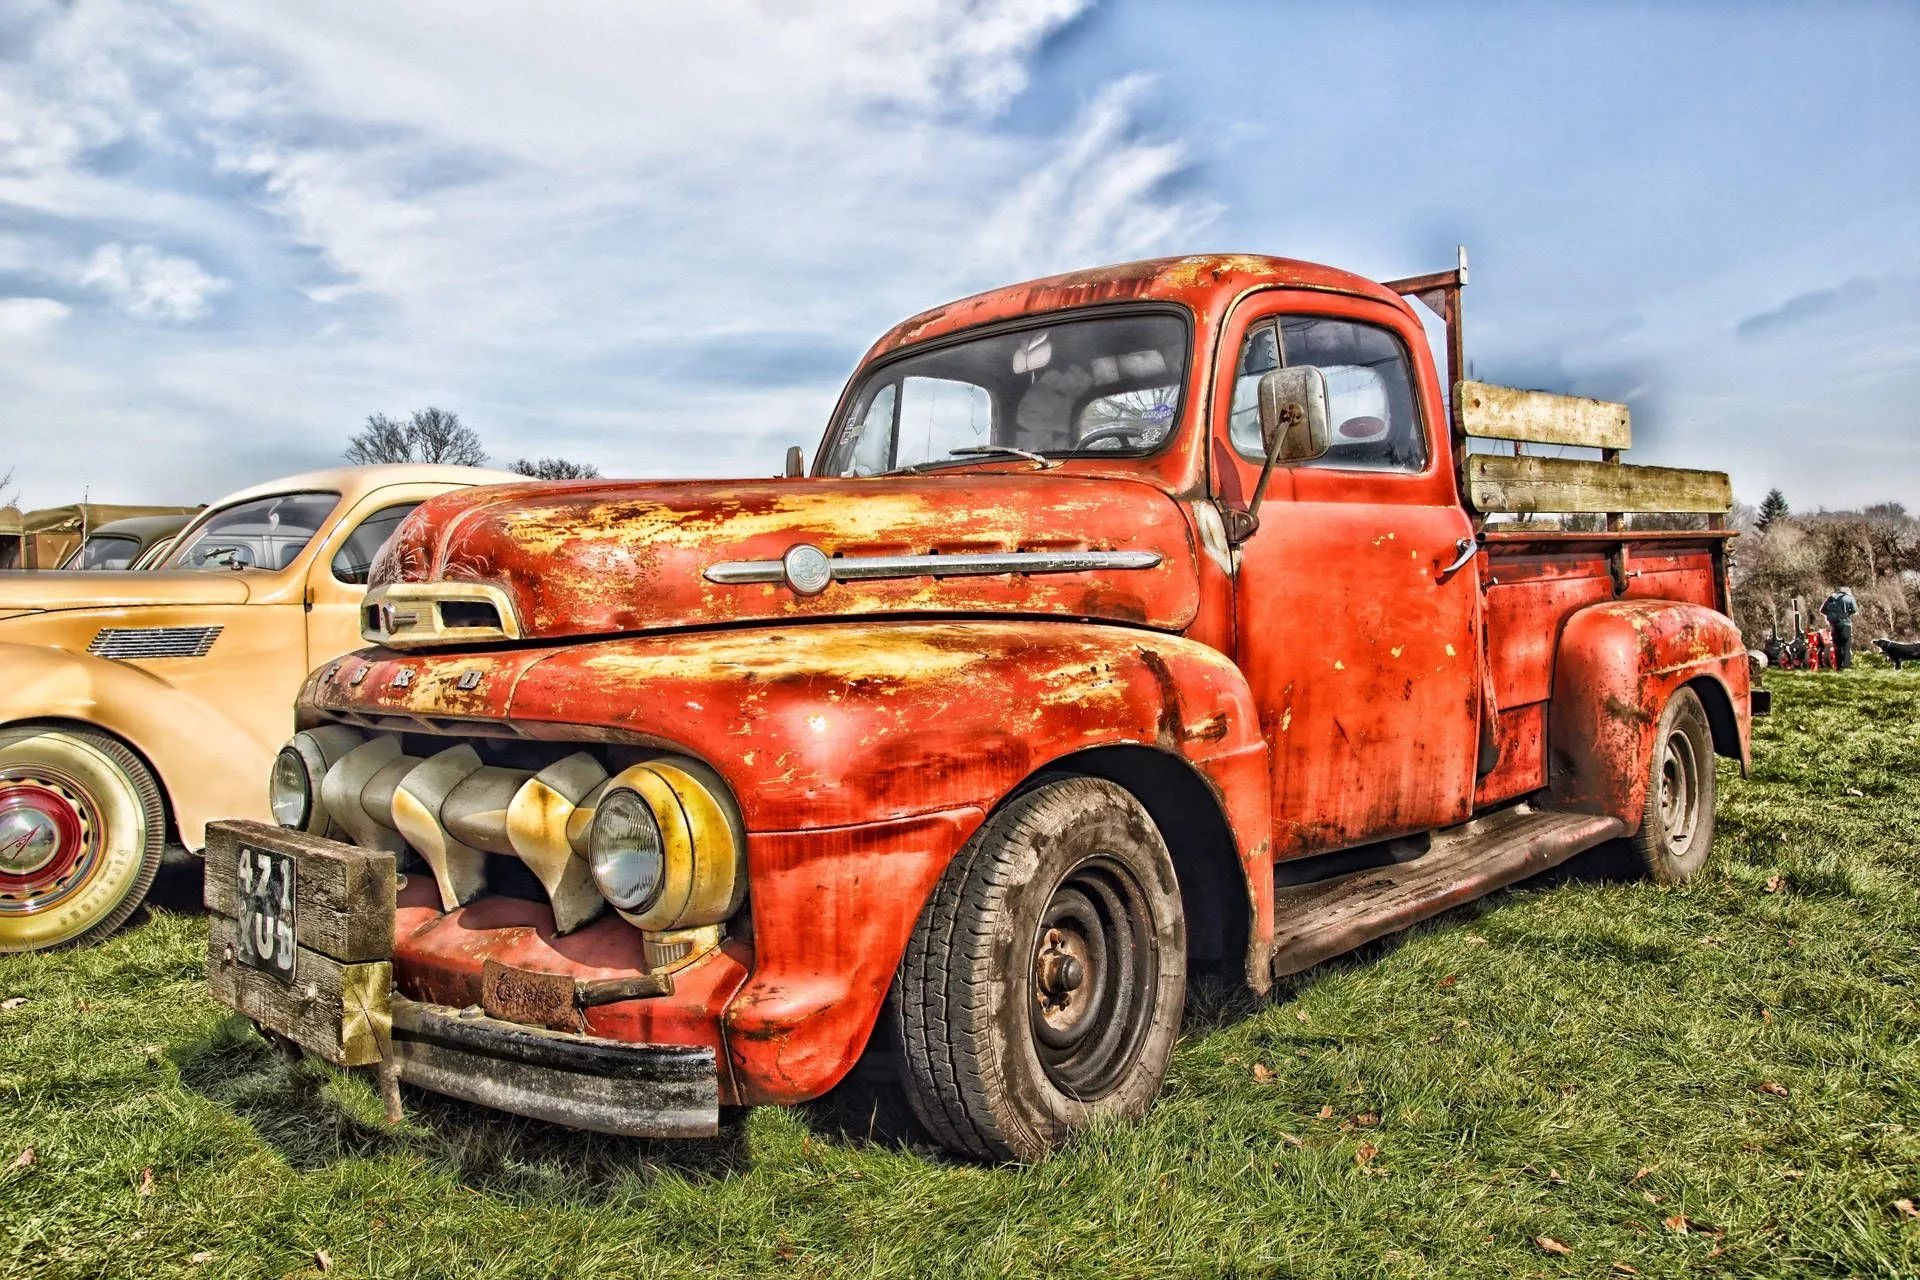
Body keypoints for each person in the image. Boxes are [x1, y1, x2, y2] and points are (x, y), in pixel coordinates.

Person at [1820, 587, 1858, 669]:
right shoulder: (1849, 598)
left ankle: (1838, 666)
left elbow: (1822, 610)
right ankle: (1846, 666)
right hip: (1845, 624)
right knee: (1846, 646)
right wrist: (1847, 614)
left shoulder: (1831, 598)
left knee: (1837, 646)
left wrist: (1831, 615)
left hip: (1834, 625)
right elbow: (1855, 609)